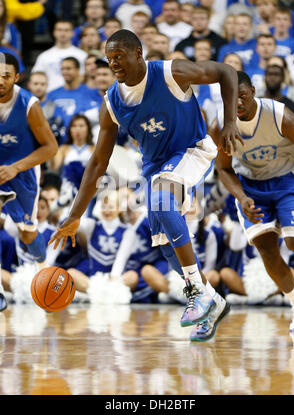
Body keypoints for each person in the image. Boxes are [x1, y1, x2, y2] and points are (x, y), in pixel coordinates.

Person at [49, 29, 241, 342]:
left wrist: (230, 121)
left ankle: (198, 293)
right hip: (154, 167)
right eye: (109, 59)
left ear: (138, 53)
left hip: (192, 149)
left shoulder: (170, 72)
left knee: (165, 202)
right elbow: (98, 163)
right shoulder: (111, 101)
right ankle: (212, 300)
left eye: (119, 57)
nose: (113, 64)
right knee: (165, 246)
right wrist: (75, 215)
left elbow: (226, 72)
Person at [209, 70, 294, 332]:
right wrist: (242, 197)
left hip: (286, 178)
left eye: (242, 96)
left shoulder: (280, 114)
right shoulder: (219, 125)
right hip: (250, 186)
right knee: (267, 249)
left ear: (253, 93)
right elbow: (223, 169)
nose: (237, 103)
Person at [0, 52, 58, 311]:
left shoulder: (28, 104)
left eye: (6, 76)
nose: (0, 81)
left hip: (22, 173)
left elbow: (50, 148)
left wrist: (15, 167)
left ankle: (42, 266)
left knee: (27, 232)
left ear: (17, 77)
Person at [31, 20, 88, 92]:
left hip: (76, 95)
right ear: (54, 32)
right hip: (50, 97)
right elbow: (36, 77)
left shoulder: (82, 55)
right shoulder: (44, 56)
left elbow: (86, 78)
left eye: (66, 30)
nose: (63, 33)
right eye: (59, 30)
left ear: (72, 33)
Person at [27, 71, 66, 146]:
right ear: (29, 85)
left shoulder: (56, 108)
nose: (39, 87)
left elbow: (60, 136)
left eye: (42, 84)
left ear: (47, 85)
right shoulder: (20, 106)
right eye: (35, 84)